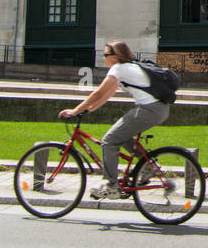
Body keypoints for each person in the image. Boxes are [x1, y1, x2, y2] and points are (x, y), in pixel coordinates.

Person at [58, 41, 170, 199]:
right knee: (121, 136)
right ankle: (148, 166)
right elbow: (109, 93)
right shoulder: (130, 67)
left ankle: (111, 186)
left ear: (115, 56)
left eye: (105, 54)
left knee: (109, 141)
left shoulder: (118, 68)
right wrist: (90, 109)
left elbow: (98, 92)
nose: (103, 57)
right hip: (159, 109)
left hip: (148, 110)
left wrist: (76, 110)